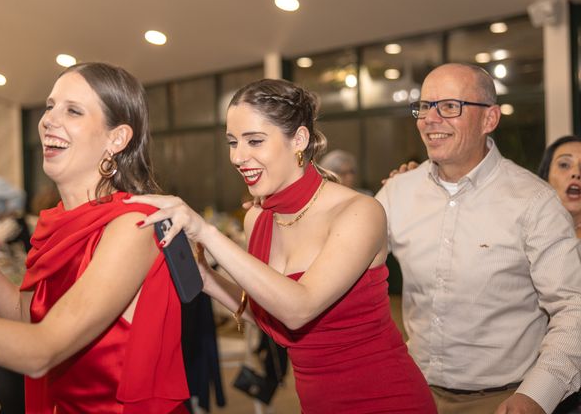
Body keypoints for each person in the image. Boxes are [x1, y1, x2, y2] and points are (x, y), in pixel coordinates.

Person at [127, 78, 437, 413]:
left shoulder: (360, 212)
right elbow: (273, 319)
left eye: (255, 141)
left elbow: (299, 309)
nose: (238, 156)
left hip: (386, 399)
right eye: (232, 142)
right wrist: (206, 279)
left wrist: (207, 232)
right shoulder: (257, 220)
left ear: (299, 140)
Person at [0, 62, 189, 413]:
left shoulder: (133, 225)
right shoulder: (58, 223)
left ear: (116, 138)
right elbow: (25, 317)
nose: (48, 120)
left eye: (73, 110)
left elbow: (41, 349)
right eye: (49, 107)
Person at [375, 63, 581, 414]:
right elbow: (348, 272)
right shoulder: (397, 192)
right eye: (425, 106)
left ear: (490, 119)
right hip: (412, 390)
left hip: (503, 399)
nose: (430, 119)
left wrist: (536, 396)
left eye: (450, 106)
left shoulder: (534, 201)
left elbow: (573, 308)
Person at [538, 136, 581, 414]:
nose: (576, 173)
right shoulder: (524, 239)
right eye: (564, 165)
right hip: (531, 380)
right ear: (543, 178)